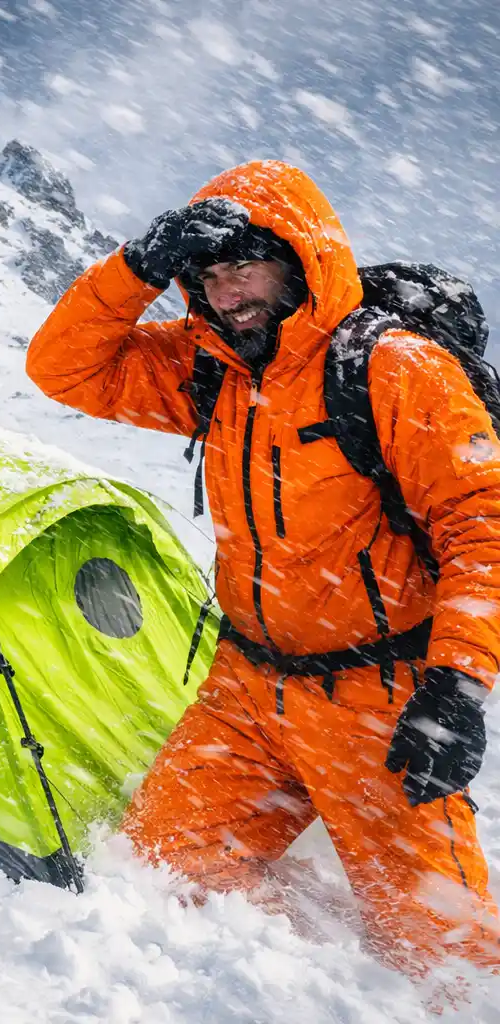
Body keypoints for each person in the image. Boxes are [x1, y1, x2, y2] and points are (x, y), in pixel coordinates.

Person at [26, 160, 500, 974]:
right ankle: (284, 980)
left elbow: (483, 525)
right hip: (245, 687)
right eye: (206, 275)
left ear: (301, 260)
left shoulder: (392, 367)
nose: (226, 292)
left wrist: (458, 684)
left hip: (376, 701)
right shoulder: (213, 365)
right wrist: (136, 266)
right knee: (158, 870)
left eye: (244, 265)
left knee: (446, 957)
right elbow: (62, 367)